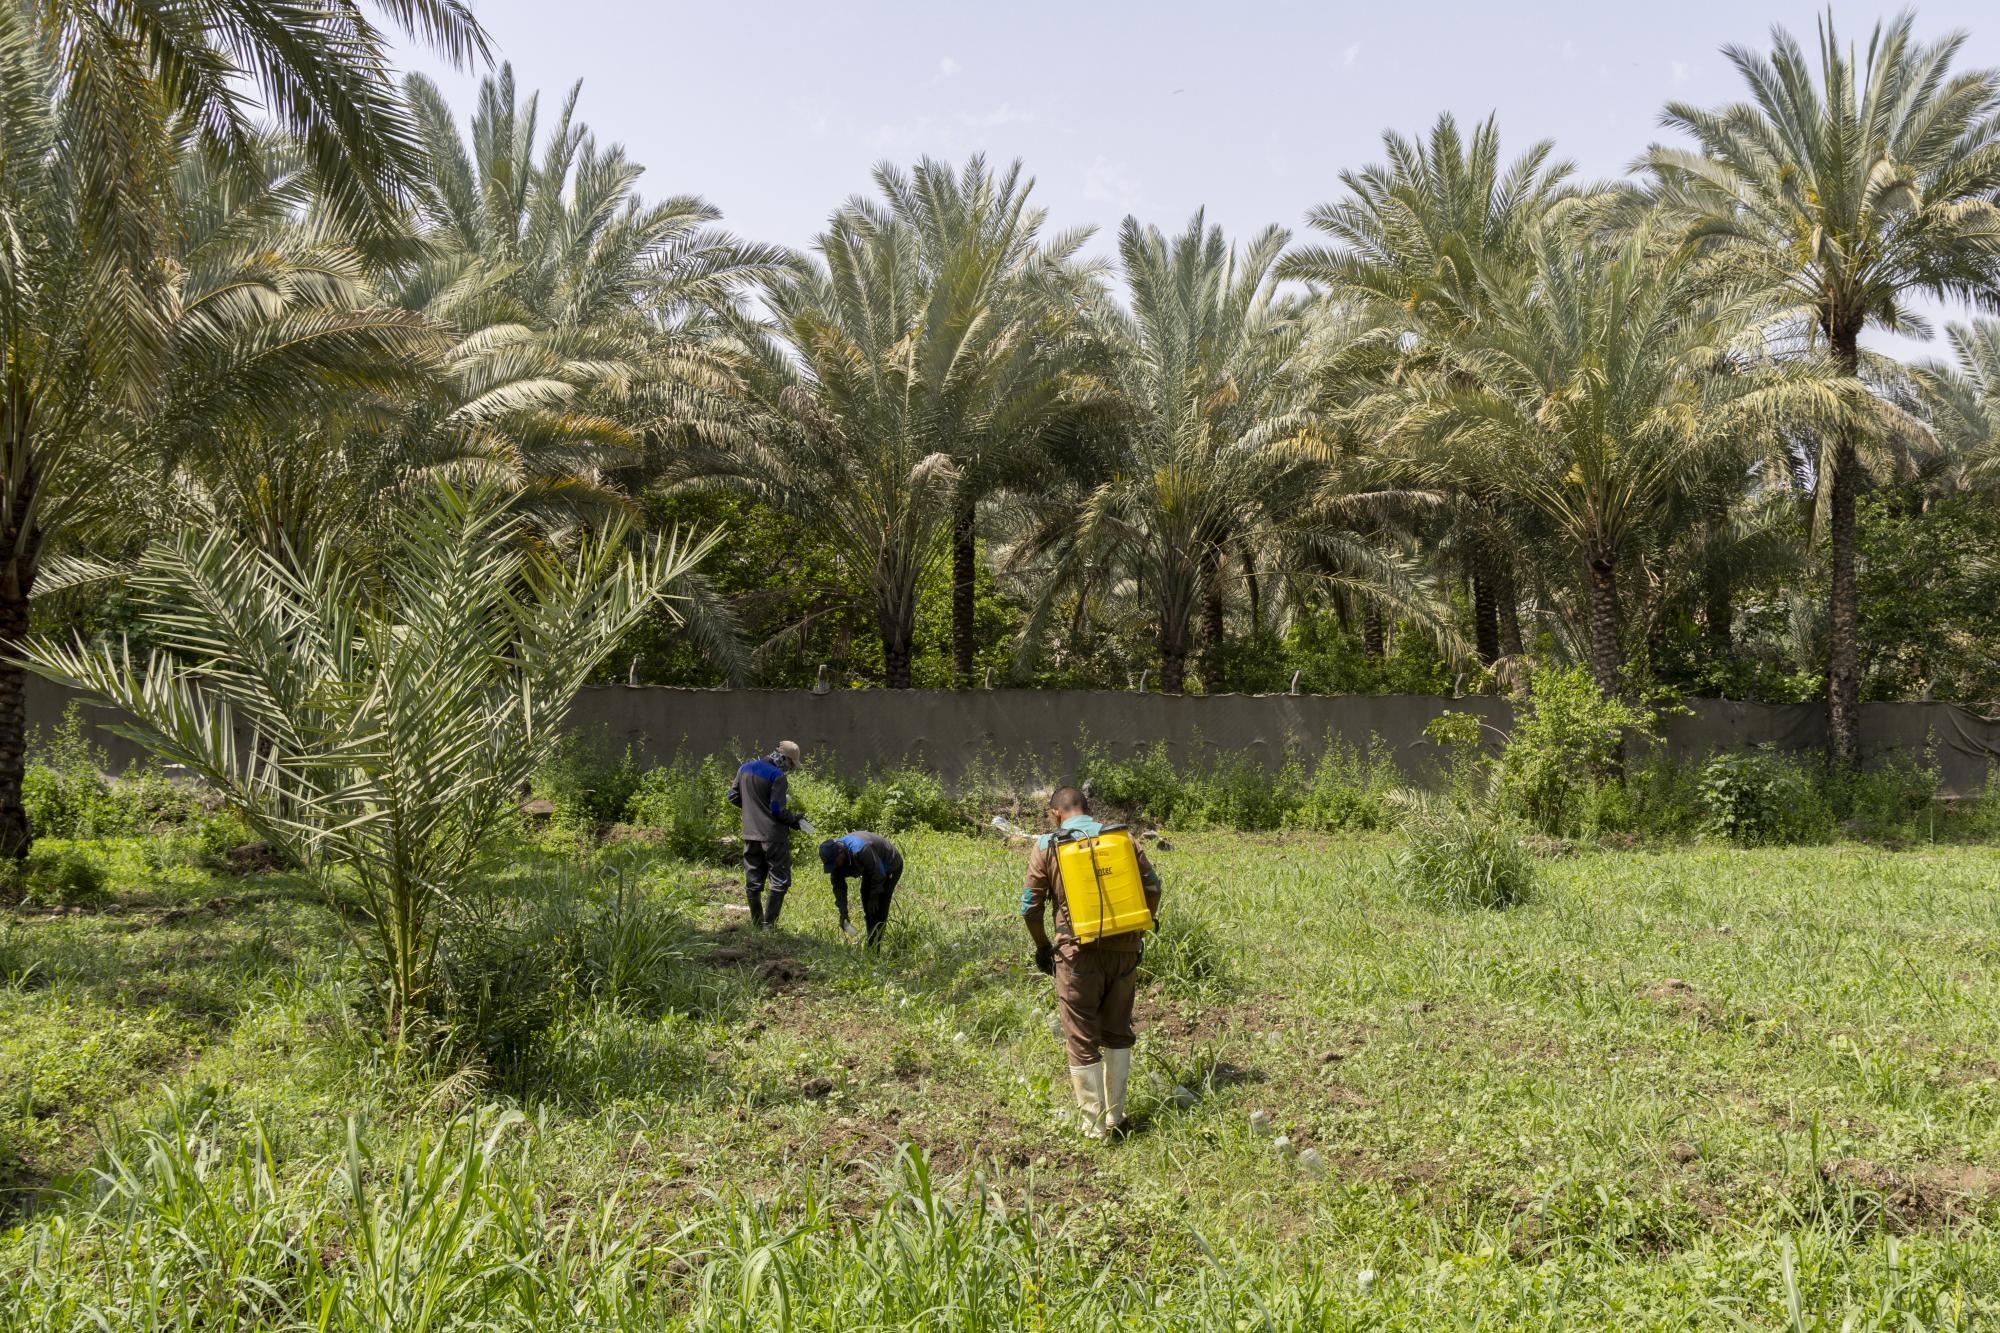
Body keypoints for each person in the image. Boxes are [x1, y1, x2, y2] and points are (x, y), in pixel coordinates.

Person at [1019, 785, 1163, 1138]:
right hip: (1125, 952)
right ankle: (1116, 1117)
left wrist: (1043, 947)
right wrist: (1139, 930)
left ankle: (1094, 1127)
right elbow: (1153, 888)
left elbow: (1030, 909)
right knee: (1117, 1029)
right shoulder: (1122, 838)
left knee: (1081, 1037)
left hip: (1076, 954)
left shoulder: (1048, 845)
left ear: (1055, 814)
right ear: (1087, 807)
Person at [727, 740, 812, 927]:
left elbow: (732, 796)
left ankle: (757, 924)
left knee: (753, 880)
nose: (791, 769)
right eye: (791, 764)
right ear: (783, 759)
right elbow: (776, 810)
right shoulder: (777, 776)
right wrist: (794, 820)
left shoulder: (744, 769)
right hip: (773, 837)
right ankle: (769, 926)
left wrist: (752, 809)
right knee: (779, 880)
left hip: (750, 835)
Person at [818, 830, 903, 947]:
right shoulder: (835, 858)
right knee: (867, 904)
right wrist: (843, 913)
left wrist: (874, 897)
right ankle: (871, 942)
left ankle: (874, 949)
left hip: (889, 865)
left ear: (840, 852)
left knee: (878, 908)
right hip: (872, 868)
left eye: (835, 863)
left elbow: (879, 874)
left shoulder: (860, 849)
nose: (835, 866)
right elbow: (839, 888)